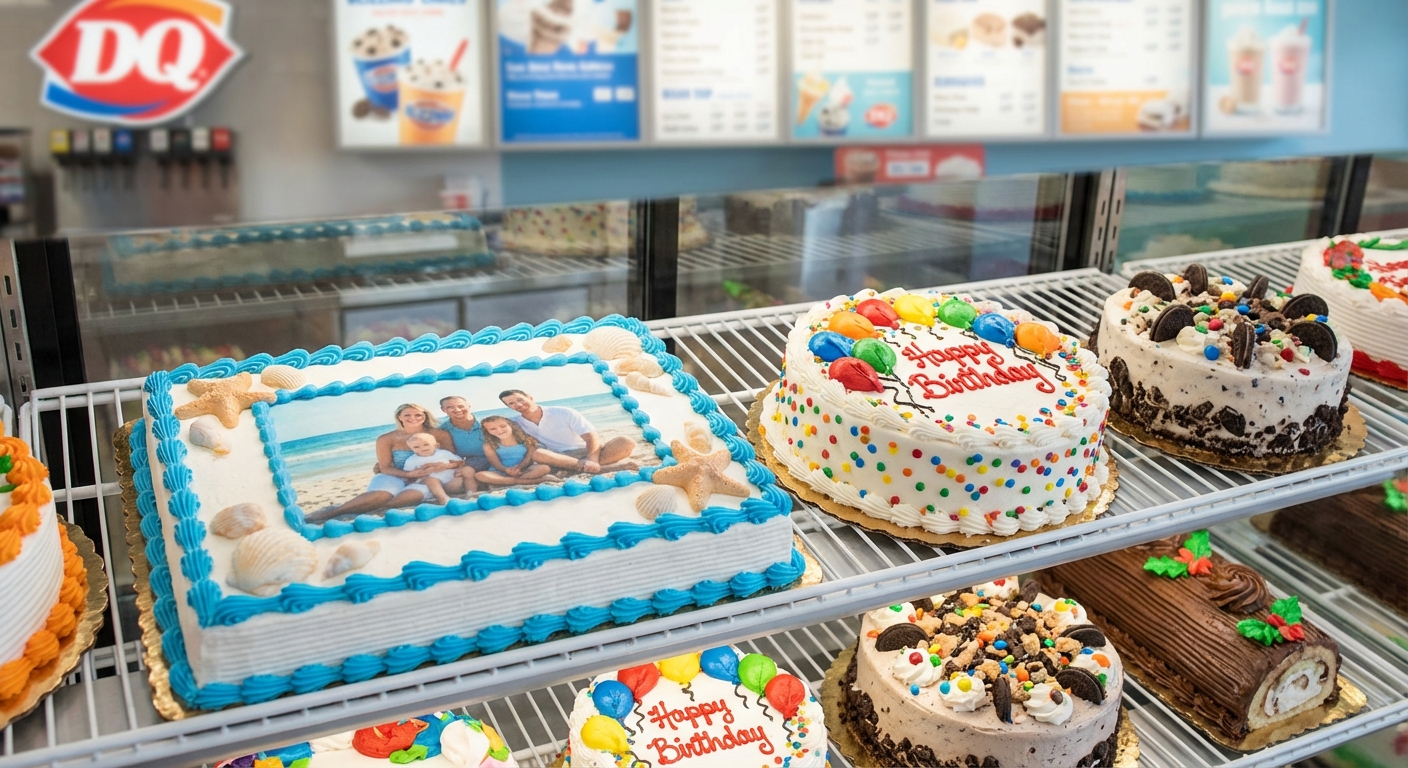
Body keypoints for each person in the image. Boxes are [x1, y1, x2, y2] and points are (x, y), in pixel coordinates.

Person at [304, 403, 454, 523]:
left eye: (418, 415)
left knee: (401, 500)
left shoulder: (439, 434)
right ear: (399, 417)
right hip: (395, 474)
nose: (413, 418)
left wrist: (443, 466)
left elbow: (454, 458)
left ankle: (358, 507)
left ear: (424, 416)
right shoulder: (386, 438)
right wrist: (408, 474)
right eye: (407, 415)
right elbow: (385, 467)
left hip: (427, 477)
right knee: (381, 496)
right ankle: (333, 512)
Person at [498, 389, 638, 475]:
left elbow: (590, 436)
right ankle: (597, 467)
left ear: (530, 397)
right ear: (509, 407)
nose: (517, 404)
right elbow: (530, 446)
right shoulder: (515, 423)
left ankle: (588, 466)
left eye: (519, 399)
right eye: (511, 403)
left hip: (588, 450)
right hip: (560, 457)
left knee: (626, 441)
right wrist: (519, 466)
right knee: (538, 454)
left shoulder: (563, 412)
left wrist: (592, 459)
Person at [475, 415, 552, 486]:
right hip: (502, 472)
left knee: (544, 468)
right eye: (492, 429)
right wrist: (506, 470)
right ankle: (529, 481)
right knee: (480, 475)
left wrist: (519, 467)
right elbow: (496, 464)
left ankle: (512, 481)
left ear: (510, 425)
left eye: (503, 426)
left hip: (525, 469)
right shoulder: (488, 446)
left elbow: (528, 458)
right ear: (487, 431)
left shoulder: (527, 439)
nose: (499, 430)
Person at [439, 395, 488, 494]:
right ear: (443, 410)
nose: (457, 410)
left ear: (469, 406)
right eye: (450, 407)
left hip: (497, 459)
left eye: (460, 406)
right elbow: (449, 454)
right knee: (453, 486)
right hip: (469, 463)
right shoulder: (443, 430)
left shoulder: (487, 422)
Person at [401, 432, 466, 505]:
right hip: (431, 484)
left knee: (466, 471)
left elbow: (459, 463)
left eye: (426, 444)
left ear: (436, 445)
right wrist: (419, 473)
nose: (423, 448)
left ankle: (471, 494)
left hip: (450, 481)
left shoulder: (443, 453)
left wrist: (446, 466)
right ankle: (443, 498)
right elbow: (408, 477)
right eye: (416, 447)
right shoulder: (412, 460)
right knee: (430, 479)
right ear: (411, 449)